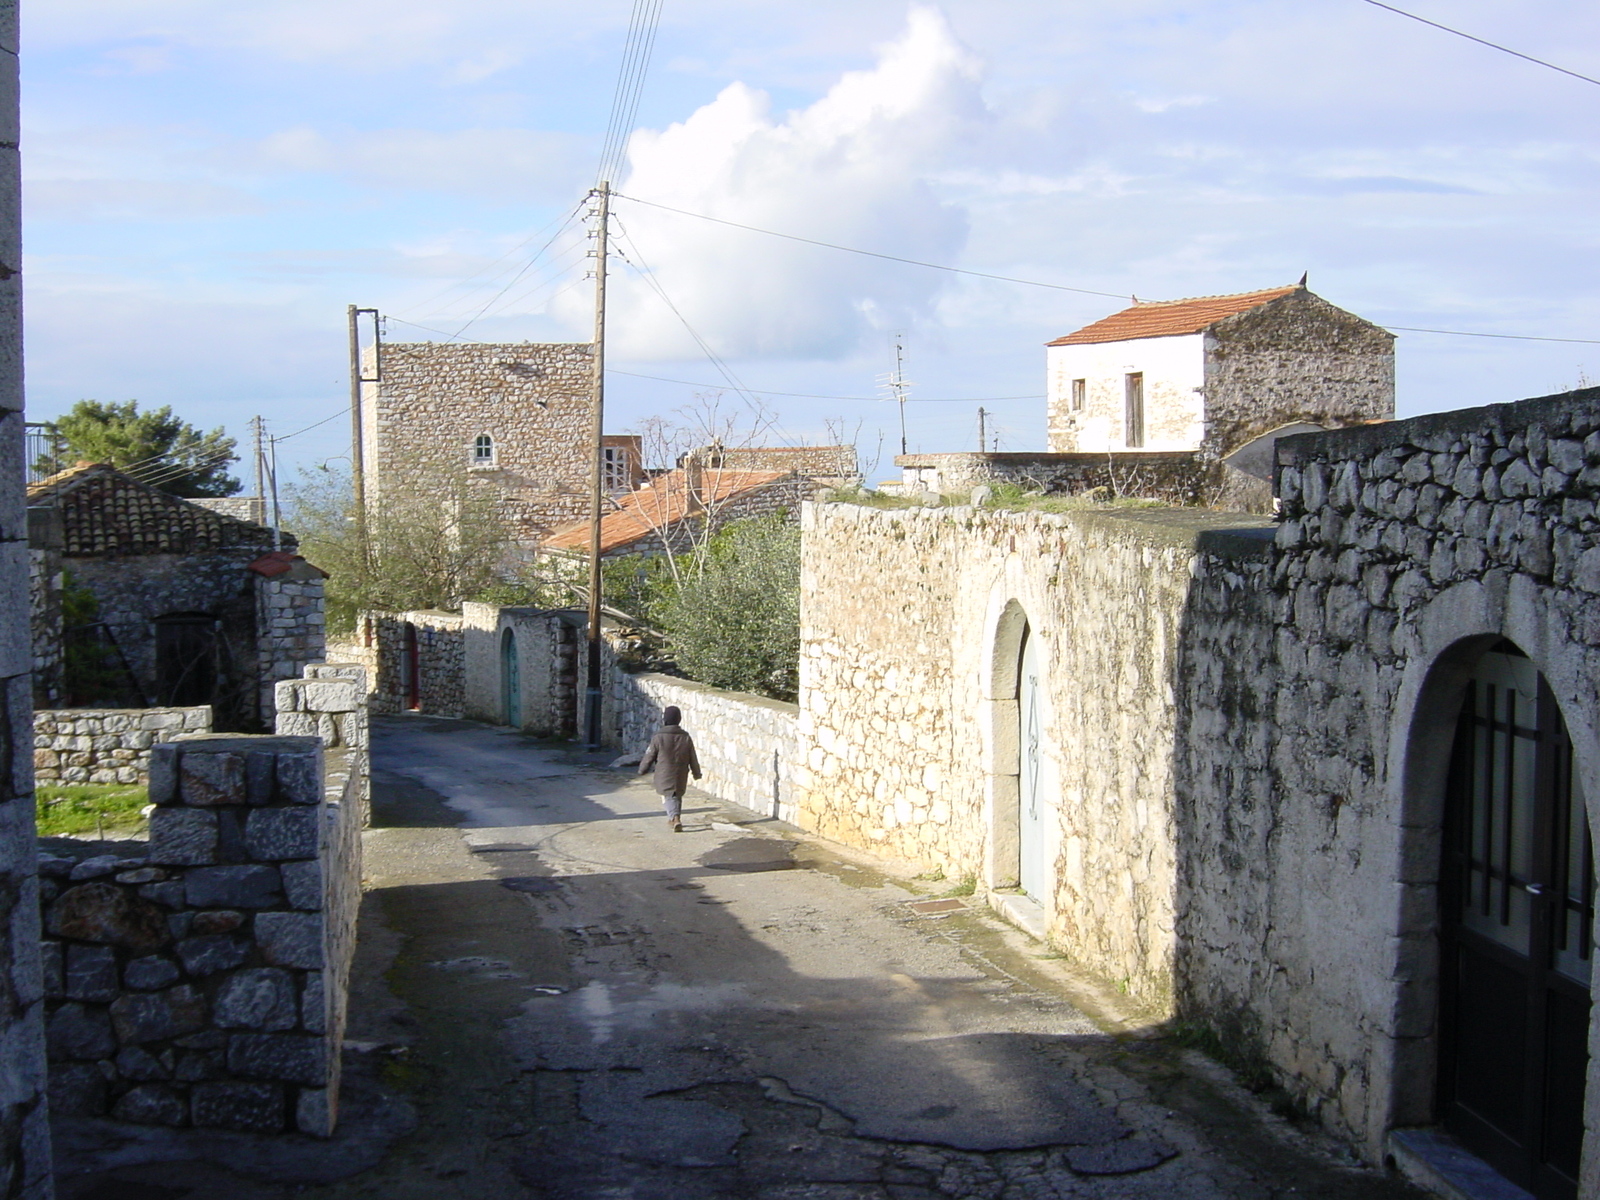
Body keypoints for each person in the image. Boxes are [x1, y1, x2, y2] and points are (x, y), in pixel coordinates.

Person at [638, 705, 701, 832]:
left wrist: (642, 769)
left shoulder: (658, 737)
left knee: (668, 795)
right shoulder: (685, 737)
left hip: (664, 772)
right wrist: (696, 773)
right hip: (681, 772)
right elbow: (692, 757)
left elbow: (650, 754)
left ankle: (675, 818)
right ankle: (673, 818)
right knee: (676, 795)